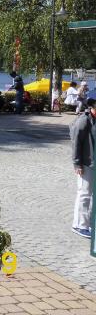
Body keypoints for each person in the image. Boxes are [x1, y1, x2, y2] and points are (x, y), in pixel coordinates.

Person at [70, 97, 95, 238]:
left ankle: (90, 223)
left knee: (92, 195)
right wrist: (77, 163)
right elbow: (76, 143)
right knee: (84, 193)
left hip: (94, 162)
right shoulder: (84, 120)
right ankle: (79, 225)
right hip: (86, 162)